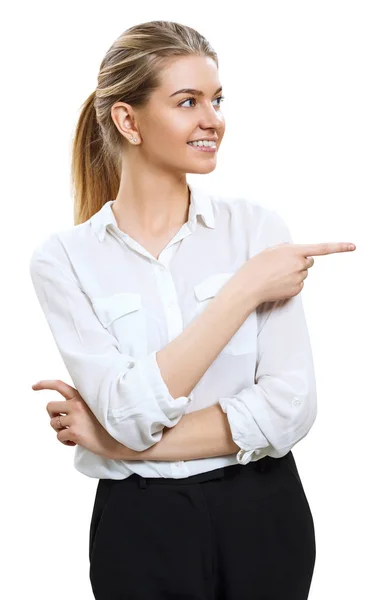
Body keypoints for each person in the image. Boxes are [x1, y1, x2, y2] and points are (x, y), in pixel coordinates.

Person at [29, 19, 356, 600]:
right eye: (188, 102)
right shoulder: (64, 259)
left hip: (263, 511)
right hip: (139, 526)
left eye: (217, 100)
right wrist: (242, 292)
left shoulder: (255, 229)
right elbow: (129, 413)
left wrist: (112, 444)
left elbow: (290, 409)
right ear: (128, 120)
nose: (213, 120)